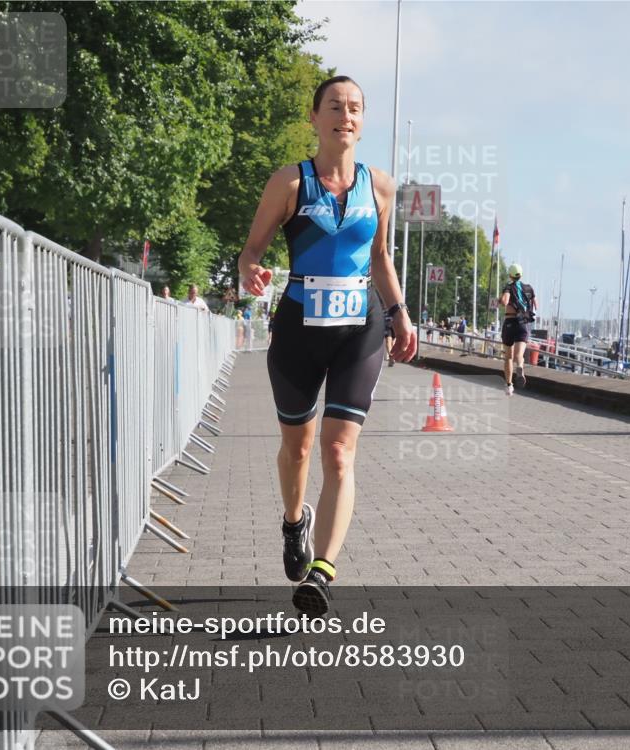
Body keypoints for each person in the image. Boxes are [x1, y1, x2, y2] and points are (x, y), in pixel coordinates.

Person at [238, 76, 417, 616]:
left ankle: (322, 569)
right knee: (297, 448)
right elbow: (251, 250)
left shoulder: (380, 186)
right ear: (315, 118)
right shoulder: (290, 183)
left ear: (364, 121)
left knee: (339, 451)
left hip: (358, 329)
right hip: (297, 328)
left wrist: (399, 312)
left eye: (356, 108)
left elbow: (380, 256)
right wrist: (252, 272)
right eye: (335, 106)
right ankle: (295, 522)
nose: (346, 115)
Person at [499, 263, 536, 395]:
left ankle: (509, 385)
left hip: (510, 322)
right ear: (521, 274)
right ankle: (520, 367)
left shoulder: (509, 287)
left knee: (508, 357)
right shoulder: (529, 288)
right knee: (519, 355)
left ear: (510, 274)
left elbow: (505, 301)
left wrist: (500, 299)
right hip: (523, 323)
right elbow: (534, 304)